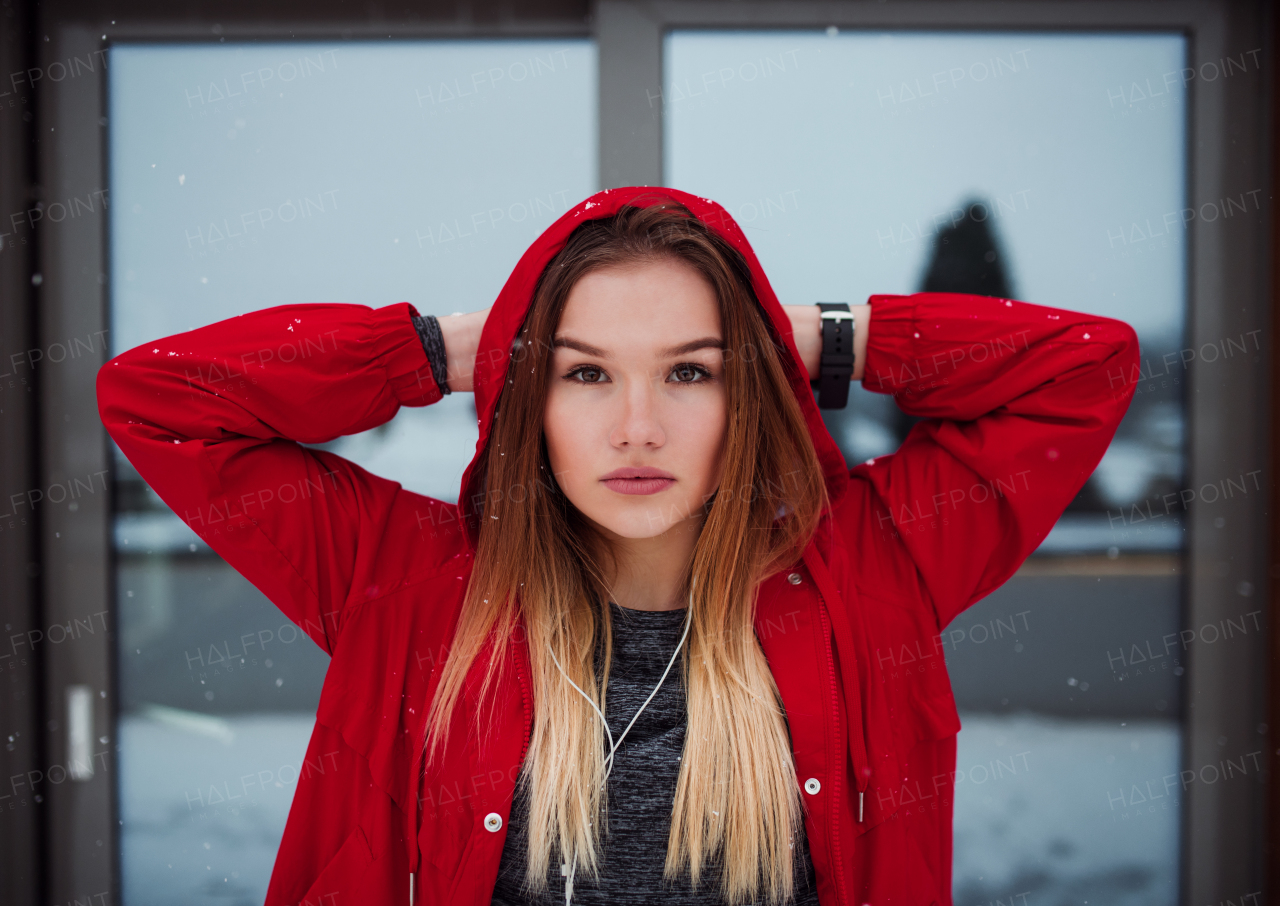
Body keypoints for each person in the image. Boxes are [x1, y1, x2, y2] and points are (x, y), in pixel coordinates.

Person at [96, 187, 1139, 906]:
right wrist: (430, 350)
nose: (635, 426)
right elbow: (158, 399)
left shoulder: (870, 570)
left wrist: (815, 339)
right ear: (523, 396)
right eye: (582, 372)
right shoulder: (402, 582)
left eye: (690, 372)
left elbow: (1084, 367)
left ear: (749, 393)